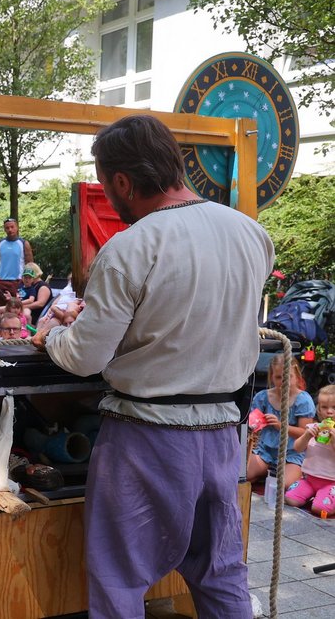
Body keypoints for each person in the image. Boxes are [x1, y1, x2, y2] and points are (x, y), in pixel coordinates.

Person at [32, 114, 274, 617]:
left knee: (119, 581)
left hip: (147, 438)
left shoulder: (129, 248)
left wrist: (52, 333)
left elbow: (85, 356)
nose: (109, 195)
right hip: (222, 433)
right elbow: (196, 317)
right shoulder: (251, 234)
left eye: (106, 185)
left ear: (123, 182)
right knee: (222, 574)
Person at [246, 354, 315, 488]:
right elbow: (252, 424)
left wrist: (280, 425)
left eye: (288, 377)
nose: (284, 382)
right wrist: (256, 423)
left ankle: (272, 474)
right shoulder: (263, 397)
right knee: (244, 475)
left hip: (292, 453)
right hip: (265, 450)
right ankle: (266, 472)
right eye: (278, 377)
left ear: (297, 377)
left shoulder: (303, 400)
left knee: (284, 485)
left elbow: (304, 432)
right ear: (272, 377)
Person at [285, 385, 335, 516]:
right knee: (290, 499)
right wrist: (307, 435)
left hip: (331, 482)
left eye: (334, 407)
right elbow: (297, 448)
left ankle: (323, 497)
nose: (329, 412)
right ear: (319, 409)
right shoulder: (313, 427)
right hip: (309, 479)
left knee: (320, 509)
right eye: (324, 407)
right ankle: (314, 494)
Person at [0, 217, 34, 306]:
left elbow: (30, 263)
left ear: (17, 227)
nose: (10, 230)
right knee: (1, 307)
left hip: (18, 281)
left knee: (16, 307)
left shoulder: (23, 243)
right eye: (7, 228)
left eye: (12, 227)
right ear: (4, 229)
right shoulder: (0, 243)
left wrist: (27, 279)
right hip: (2, 281)